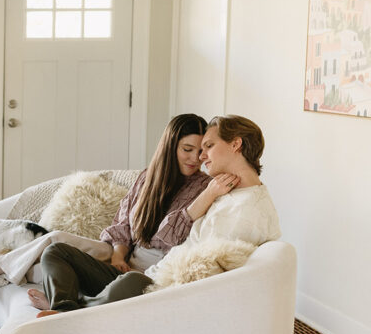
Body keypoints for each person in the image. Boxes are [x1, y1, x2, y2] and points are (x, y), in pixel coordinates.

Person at [33, 114, 280, 317]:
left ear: (235, 145)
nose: (201, 157)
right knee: (56, 251)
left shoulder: (247, 210)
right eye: (193, 149)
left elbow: (206, 274)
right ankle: (65, 308)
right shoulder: (224, 193)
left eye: (208, 147)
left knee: (128, 283)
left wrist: (151, 279)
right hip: (150, 275)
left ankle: (67, 314)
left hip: (166, 288)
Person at [0, 113, 211, 292]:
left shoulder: (201, 186)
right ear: (169, 146)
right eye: (187, 150)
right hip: (118, 254)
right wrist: (117, 255)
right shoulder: (147, 179)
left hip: (148, 265)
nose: (194, 158)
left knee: (54, 258)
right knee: (55, 238)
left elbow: (166, 237)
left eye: (200, 152)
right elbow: (122, 224)